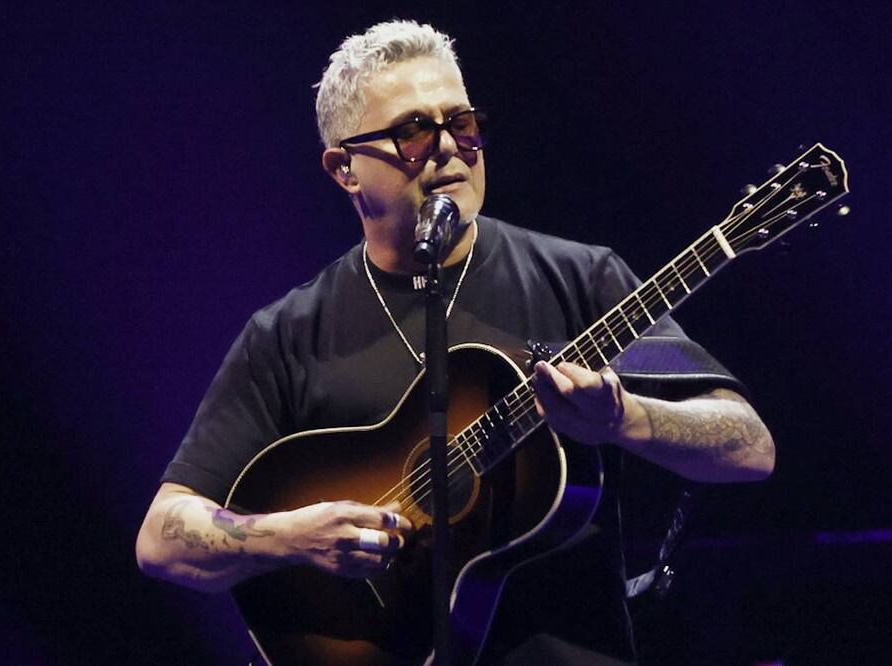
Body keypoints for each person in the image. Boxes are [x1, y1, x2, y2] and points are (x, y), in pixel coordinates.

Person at [136, 20, 774, 665]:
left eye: (462, 123)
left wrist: (627, 418)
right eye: (412, 132)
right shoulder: (288, 335)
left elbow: (749, 447)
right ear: (344, 170)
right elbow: (162, 539)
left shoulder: (581, 277)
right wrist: (289, 538)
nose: (448, 148)